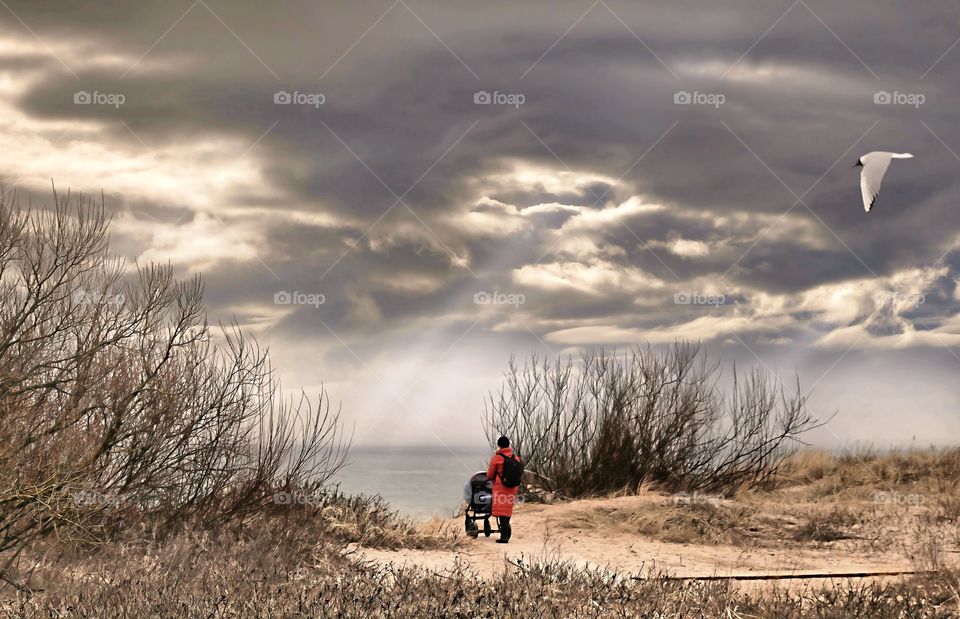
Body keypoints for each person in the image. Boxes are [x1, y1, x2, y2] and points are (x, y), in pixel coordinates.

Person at [485, 435, 520, 543]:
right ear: (508, 444)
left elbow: (490, 475)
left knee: (501, 511)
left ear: (499, 445)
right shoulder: (516, 458)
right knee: (507, 510)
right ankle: (505, 532)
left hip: (500, 487)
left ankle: (504, 536)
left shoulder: (497, 458)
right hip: (513, 487)